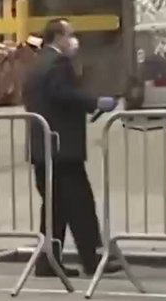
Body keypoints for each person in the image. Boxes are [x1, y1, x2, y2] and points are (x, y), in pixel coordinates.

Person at [23, 19, 120, 278]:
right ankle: (92, 260)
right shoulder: (57, 63)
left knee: (55, 208)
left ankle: (47, 261)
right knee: (80, 205)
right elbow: (62, 93)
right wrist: (95, 101)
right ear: (57, 37)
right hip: (61, 148)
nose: (74, 40)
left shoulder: (37, 62)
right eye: (70, 35)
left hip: (44, 148)